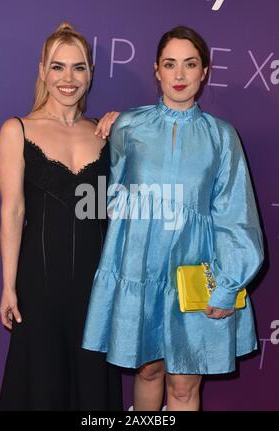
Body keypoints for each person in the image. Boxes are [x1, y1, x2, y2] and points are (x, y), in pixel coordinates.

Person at [82, 26, 264, 411]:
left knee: (183, 384)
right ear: (156, 71)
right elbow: (113, 194)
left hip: (195, 273)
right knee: (147, 372)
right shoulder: (128, 127)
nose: (179, 75)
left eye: (190, 64)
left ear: (205, 72)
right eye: (170, 64)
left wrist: (228, 283)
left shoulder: (222, 136)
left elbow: (237, 215)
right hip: (141, 269)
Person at [0, 22, 123, 411]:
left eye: (78, 67)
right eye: (58, 67)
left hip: (97, 289)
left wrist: (128, 126)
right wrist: (8, 286)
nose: (68, 79)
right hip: (40, 287)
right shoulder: (17, 130)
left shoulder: (106, 132)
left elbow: (119, 208)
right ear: (41, 71)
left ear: (90, 74)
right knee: (42, 389)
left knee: (92, 393)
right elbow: (13, 211)